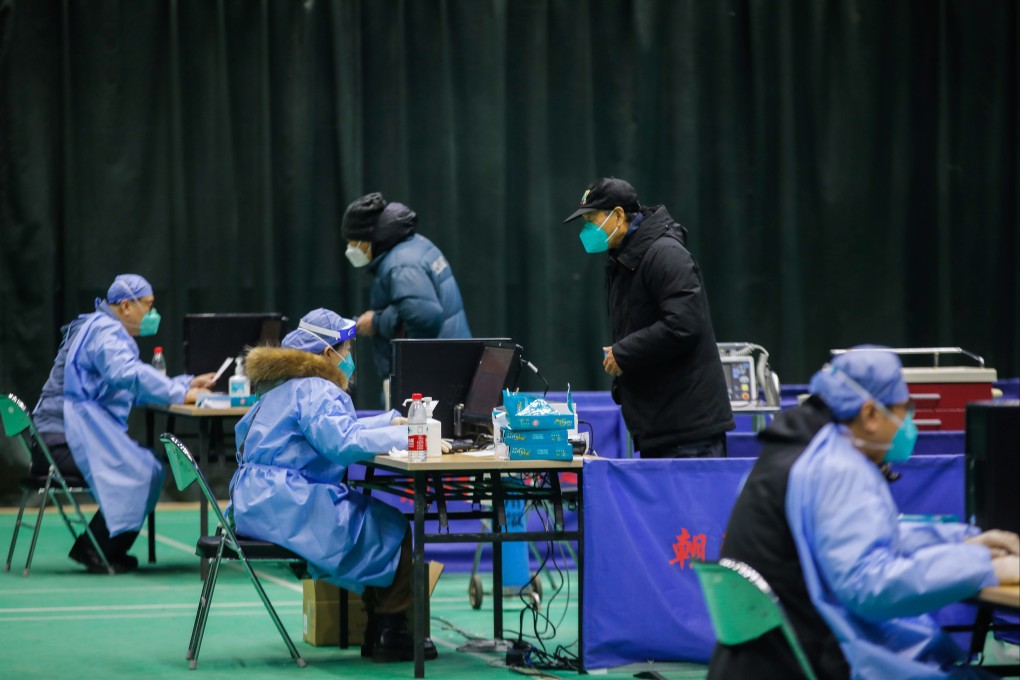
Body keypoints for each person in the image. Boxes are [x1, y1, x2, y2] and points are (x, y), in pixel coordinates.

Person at [710, 346, 1020, 679]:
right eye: (905, 410)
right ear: (871, 415)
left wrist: (965, 541)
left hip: (768, 658)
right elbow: (869, 585)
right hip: (812, 662)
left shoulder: (794, 450)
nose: (908, 424)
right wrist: (986, 567)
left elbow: (871, 534)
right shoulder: (836, 466)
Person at [228, 308, 443, 663]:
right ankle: (392, 633)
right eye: (346, 348)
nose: (349, 357)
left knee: (373, 520)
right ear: (329, 353)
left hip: (255, 501)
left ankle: (381, 629)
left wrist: (392, 421)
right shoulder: (316, 387)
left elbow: (339, 428)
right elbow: (341, 443)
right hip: (285, 503)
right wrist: (411, 434)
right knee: (393, 527)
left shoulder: (283, 385)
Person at [32, 274, 214, 573]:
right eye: (149, 305)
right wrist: (182, 392)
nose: (153, 314)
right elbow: (128, 376)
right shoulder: (105, 333)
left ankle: (100, 547)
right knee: (143, 470)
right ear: (127, 306)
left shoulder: (100, 329)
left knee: (147, 467)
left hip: (59, 435)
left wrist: (186, 383)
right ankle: (97, 550)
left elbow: (127, 384)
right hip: (58, 439)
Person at [562, 177, 734, 457]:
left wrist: (624, 353)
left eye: (592, 220)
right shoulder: (624, 260)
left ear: (618, 215)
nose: (587, 230)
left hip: (689, 432)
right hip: (660, 426)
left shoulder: (666, 255)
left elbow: (684, 325)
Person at [341, 192, 471, 382]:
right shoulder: (415, 244)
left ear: (368, 240)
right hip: (451, 364)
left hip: (435, 375)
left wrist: (377, 322)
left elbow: (424, 317)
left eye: (353, 243)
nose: (349, 249)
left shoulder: (402, 264)